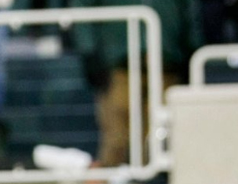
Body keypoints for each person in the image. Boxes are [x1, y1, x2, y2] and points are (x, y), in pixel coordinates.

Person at [72, 0, 204, 168]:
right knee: (117, 133)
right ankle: (111, 182)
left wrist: (192, 50)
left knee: (162, 133)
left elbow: (190, 14)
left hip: (167, 59)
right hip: (119, 60)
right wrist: (89, 51)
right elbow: (83, 8)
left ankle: (156, 178)